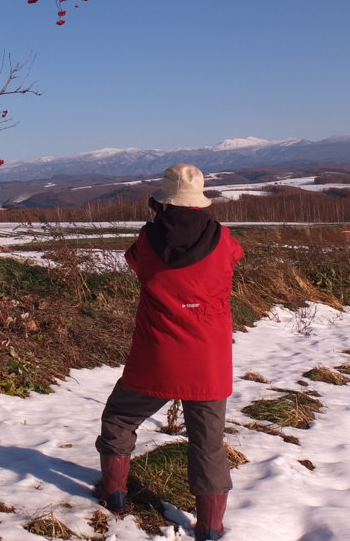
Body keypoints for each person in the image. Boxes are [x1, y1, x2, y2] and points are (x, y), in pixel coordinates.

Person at [94, 163, 243, 541]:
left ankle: (114, 493)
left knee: (119, 418)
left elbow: (133, 263)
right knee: (208, 444)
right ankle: (210, 526)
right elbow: (234, 259)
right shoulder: (224, 239)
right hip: (208, 361)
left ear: (162, 202)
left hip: (157, 355)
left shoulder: (147, 241)